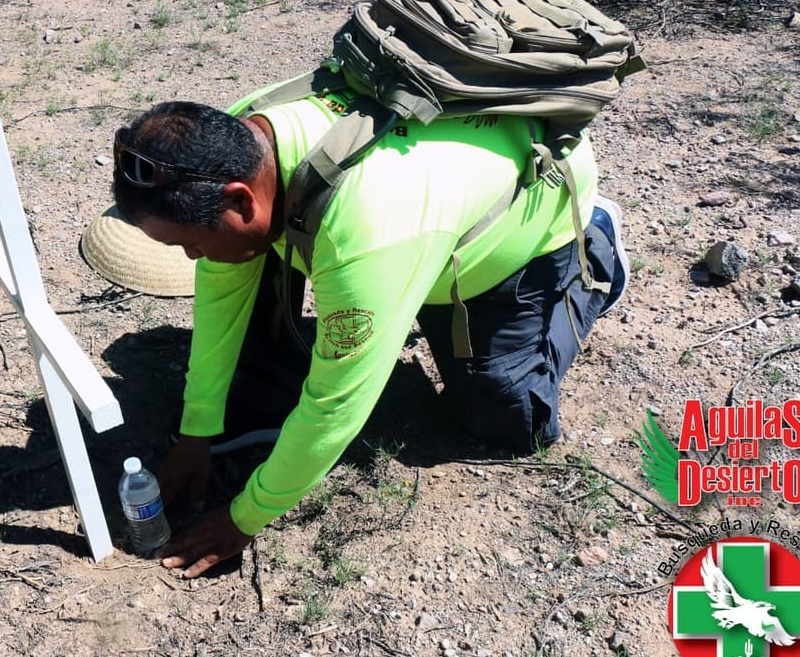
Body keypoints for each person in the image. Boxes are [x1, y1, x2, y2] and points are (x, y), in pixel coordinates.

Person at [110, 85, 629, 578]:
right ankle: (407, 288)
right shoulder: (242, 138)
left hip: (531, 220)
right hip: (419, 228)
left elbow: (335, 405)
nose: (193, 257)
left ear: (242, 200)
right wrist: (198, 430)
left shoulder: (369, 226)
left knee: (508, 418)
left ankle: (597, 249)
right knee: (254, 260)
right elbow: (223, 292)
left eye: (189, 243)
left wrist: (244, 517)